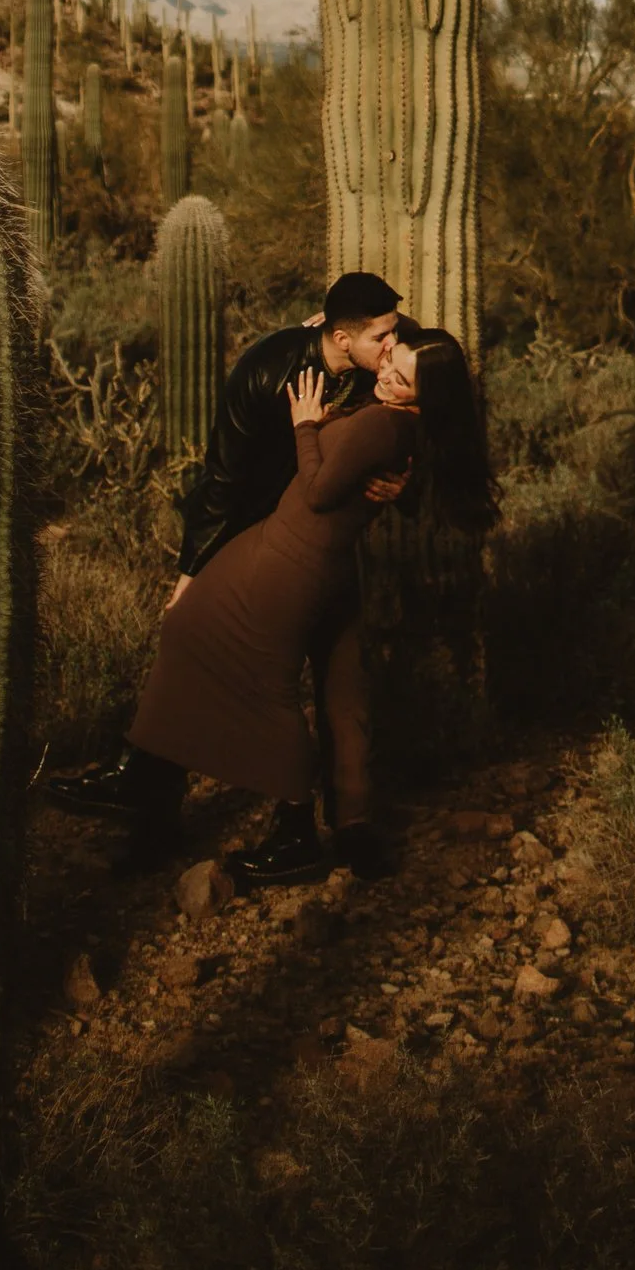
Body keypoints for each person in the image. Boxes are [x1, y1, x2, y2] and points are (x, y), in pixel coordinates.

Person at [46, 269, 404, 875]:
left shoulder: (381, 369)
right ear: (343, 339)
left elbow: (421, 388)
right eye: (382, 339)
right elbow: (222, 481)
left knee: (339, 684)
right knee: (248, 665)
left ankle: (340, 827)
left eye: (395, 339)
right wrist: (192, 571)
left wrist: (405, 478)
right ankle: (162, 799)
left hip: (323, 548)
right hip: (265, 544)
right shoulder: (268, 373)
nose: (393, 347)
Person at [123, 324, 488, 888]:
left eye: (402, 374)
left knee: (260, 681)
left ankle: (290, 829)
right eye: (389, 355)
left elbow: (318, 492)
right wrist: (317, 324)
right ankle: (353, 826)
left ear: (424, 394)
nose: (386, 370)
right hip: (335, 569)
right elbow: (399, 340)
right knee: (345, 697)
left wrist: (306, 426)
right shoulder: (409, 422)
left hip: (305, 561)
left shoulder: (380, 420)